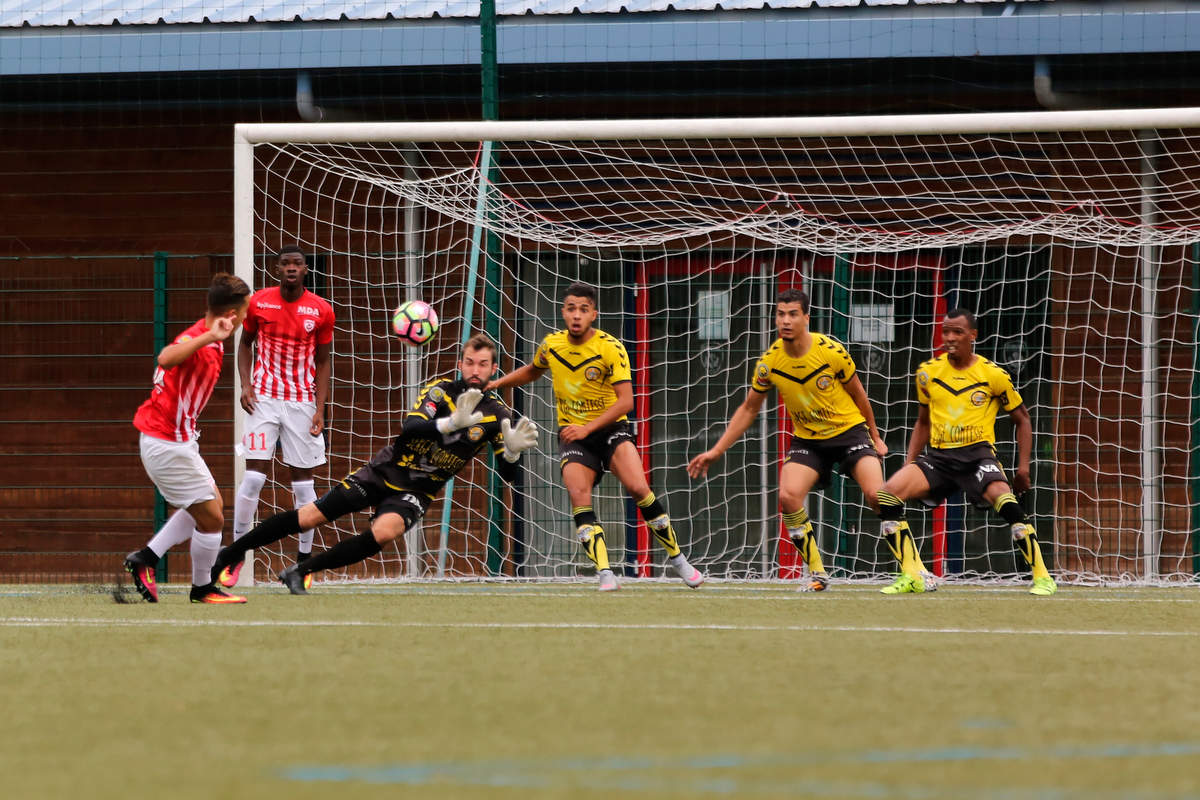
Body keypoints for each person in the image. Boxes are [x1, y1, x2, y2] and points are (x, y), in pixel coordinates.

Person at [208, 334, 539, 593]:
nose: (475, 371)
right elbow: (409, 431)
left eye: (482, 364)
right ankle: (231, 552)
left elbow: (509, 477)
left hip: (418, 490)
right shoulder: (441, 392)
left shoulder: (497, 415)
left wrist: (510, 454)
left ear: (494, 369)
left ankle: (301, 570)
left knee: (384, 533)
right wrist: (450, 424)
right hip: (384, 471)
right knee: (311, 516)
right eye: (469, 363)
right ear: (460, 364)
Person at [487, 282, 703, 592]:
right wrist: (498, 384)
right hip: (574, 437)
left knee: (639, 487)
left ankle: (679, 560)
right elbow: (534, 370)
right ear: (563, 312)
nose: (576, 315)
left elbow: (627, 401)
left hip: (611, 430)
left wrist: (588, 428)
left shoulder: (609, 347)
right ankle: (605, 573)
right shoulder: (552, 345)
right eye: (571, 308)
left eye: (583, 310)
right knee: (578, 494)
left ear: (594, 314)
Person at [686, 289, 888, 592]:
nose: (786, 320)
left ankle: (914, 571)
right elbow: (749, 408)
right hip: (809, 440)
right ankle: (818, 574)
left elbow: (859, 395)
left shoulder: (830, 351)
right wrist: (716, 450)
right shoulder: (770, 362)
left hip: (850, 433)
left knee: (877, 496)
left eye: (793, 314)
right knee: (788, 496)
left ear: (806, 317)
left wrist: (875, 436)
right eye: (781, 314)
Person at [874, 308, 1057, 596]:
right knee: (886, 493)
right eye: (946, 331)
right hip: (939, 458)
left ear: (973, 335)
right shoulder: (928, 373)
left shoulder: (992, 374)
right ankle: (912, 575)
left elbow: (1022, 419)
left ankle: (1043, 577)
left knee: (1004, 500)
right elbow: (923, 421)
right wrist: (909, 464)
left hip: (977, 457)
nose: (949, 337)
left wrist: (1023, 469)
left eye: (957, 332)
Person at [123, 272, 252, 604]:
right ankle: (202, 588)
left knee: (209, 505)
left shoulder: (206, 335)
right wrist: (209, 336)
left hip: (177, 441)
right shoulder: (200, 339)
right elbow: (165, 358)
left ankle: (146, 559)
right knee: (212, 518)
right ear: (233, 316)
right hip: (165, 443)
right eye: (245, 313)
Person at [217, 244, 334, 591]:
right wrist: (246, 385)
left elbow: (324, 361)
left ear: (306, 270)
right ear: (276, 269)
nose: (292, 269)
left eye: (298, 264)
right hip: (264, 400)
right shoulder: (258, 303)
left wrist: (320, 407)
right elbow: (244, 344)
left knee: (304, 486)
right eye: (285, 264)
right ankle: (235, 555)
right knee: (253, 478)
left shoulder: (322, 310)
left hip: (301, 402)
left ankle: (303, 562)